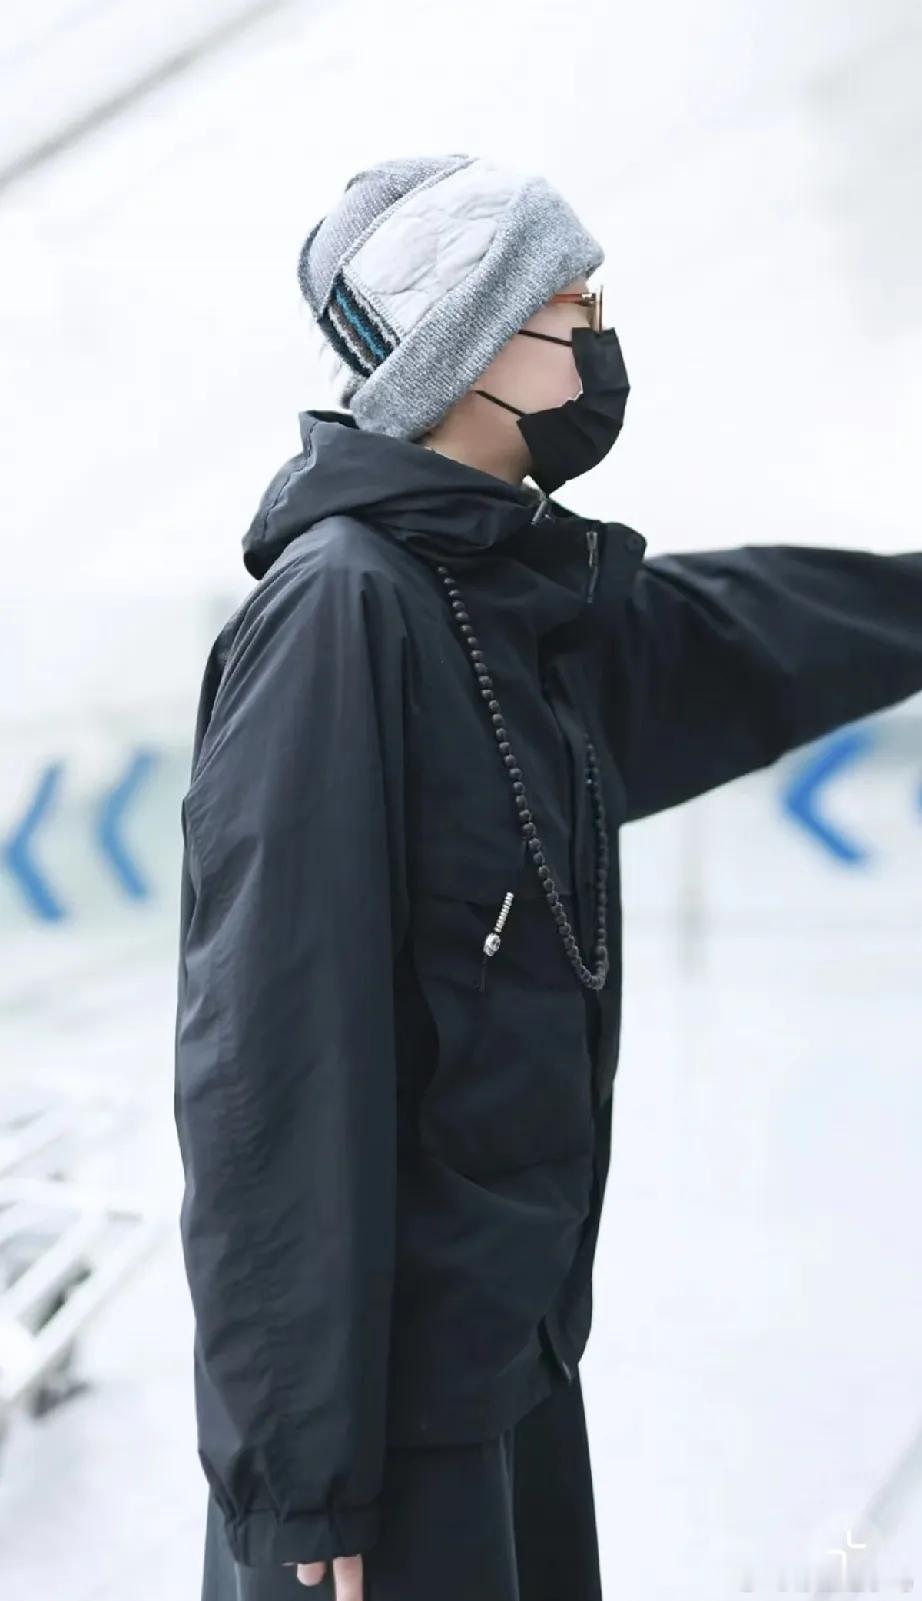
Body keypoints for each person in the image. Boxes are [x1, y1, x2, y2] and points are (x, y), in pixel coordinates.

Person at [173, 153, 922, 1601]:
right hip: (383, 1446)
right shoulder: (343, 615)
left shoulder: (496, 601)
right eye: (572, 310)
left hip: (505, 1365)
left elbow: (740, 630)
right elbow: (270, 1070)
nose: (601, 344)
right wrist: (307, 1472)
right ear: (462, 340)